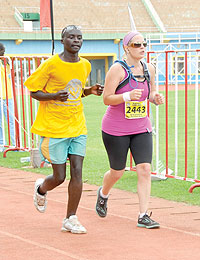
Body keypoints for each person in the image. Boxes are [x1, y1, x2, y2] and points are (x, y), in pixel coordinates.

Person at [24, 25, 103, 234]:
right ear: (62, 40)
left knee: (77, 172)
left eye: (79, 37)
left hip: (77, 126)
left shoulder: (85, 65)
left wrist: (89, 91)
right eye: (71, 37)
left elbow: (74, 92)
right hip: (54, 128)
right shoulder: (51, 64)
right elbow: (33, 91)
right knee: (59, 177)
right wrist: (52, 96)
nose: (76, 40)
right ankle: (41, 188)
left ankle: (70, 218)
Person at [95, 31, 165, 229]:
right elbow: (106, 98)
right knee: (117, 172)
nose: (142, 47)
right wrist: (126, 96)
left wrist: (155, 98)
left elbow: (150, 93)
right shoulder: (117, 70)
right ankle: (103, 193)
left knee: (144, 169)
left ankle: (143, 215)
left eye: (144, 43)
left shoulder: (149, 68)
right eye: (137, 44)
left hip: (141, 127)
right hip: (115, 129)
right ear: (126, 48)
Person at [0, 43, 16, 151]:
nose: (3, 52)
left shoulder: (7, 61)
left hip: (8, 95)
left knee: (11, 120)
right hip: (0, 95)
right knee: (0, 122)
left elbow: (11, 75)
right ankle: (1, 143)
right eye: (2, 50)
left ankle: (14, 143)